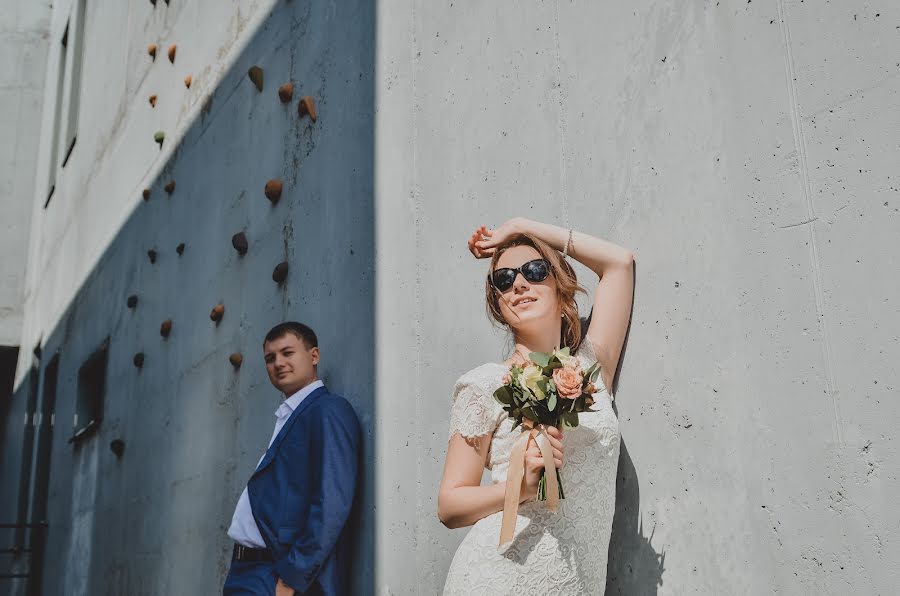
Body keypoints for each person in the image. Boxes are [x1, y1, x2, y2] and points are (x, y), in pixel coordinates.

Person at [438, 217, 634, 594]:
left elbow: (619, 264)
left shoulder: (590, 368)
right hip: (498, 578)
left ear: (563, 294)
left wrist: (519, 225)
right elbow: (449, 504)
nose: (519, 284)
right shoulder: (483, 385)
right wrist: (517, 487)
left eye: (534, 270)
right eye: (504, 280)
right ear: (498, 305)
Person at [224, 322, 361, 596]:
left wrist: (292, 578)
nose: (278, 363)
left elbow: (332, 501)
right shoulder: (290, 414)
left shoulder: (328, 410)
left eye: (288, 352)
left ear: (314, 356)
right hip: (247, 570)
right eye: (270, 358)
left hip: (275, 573)